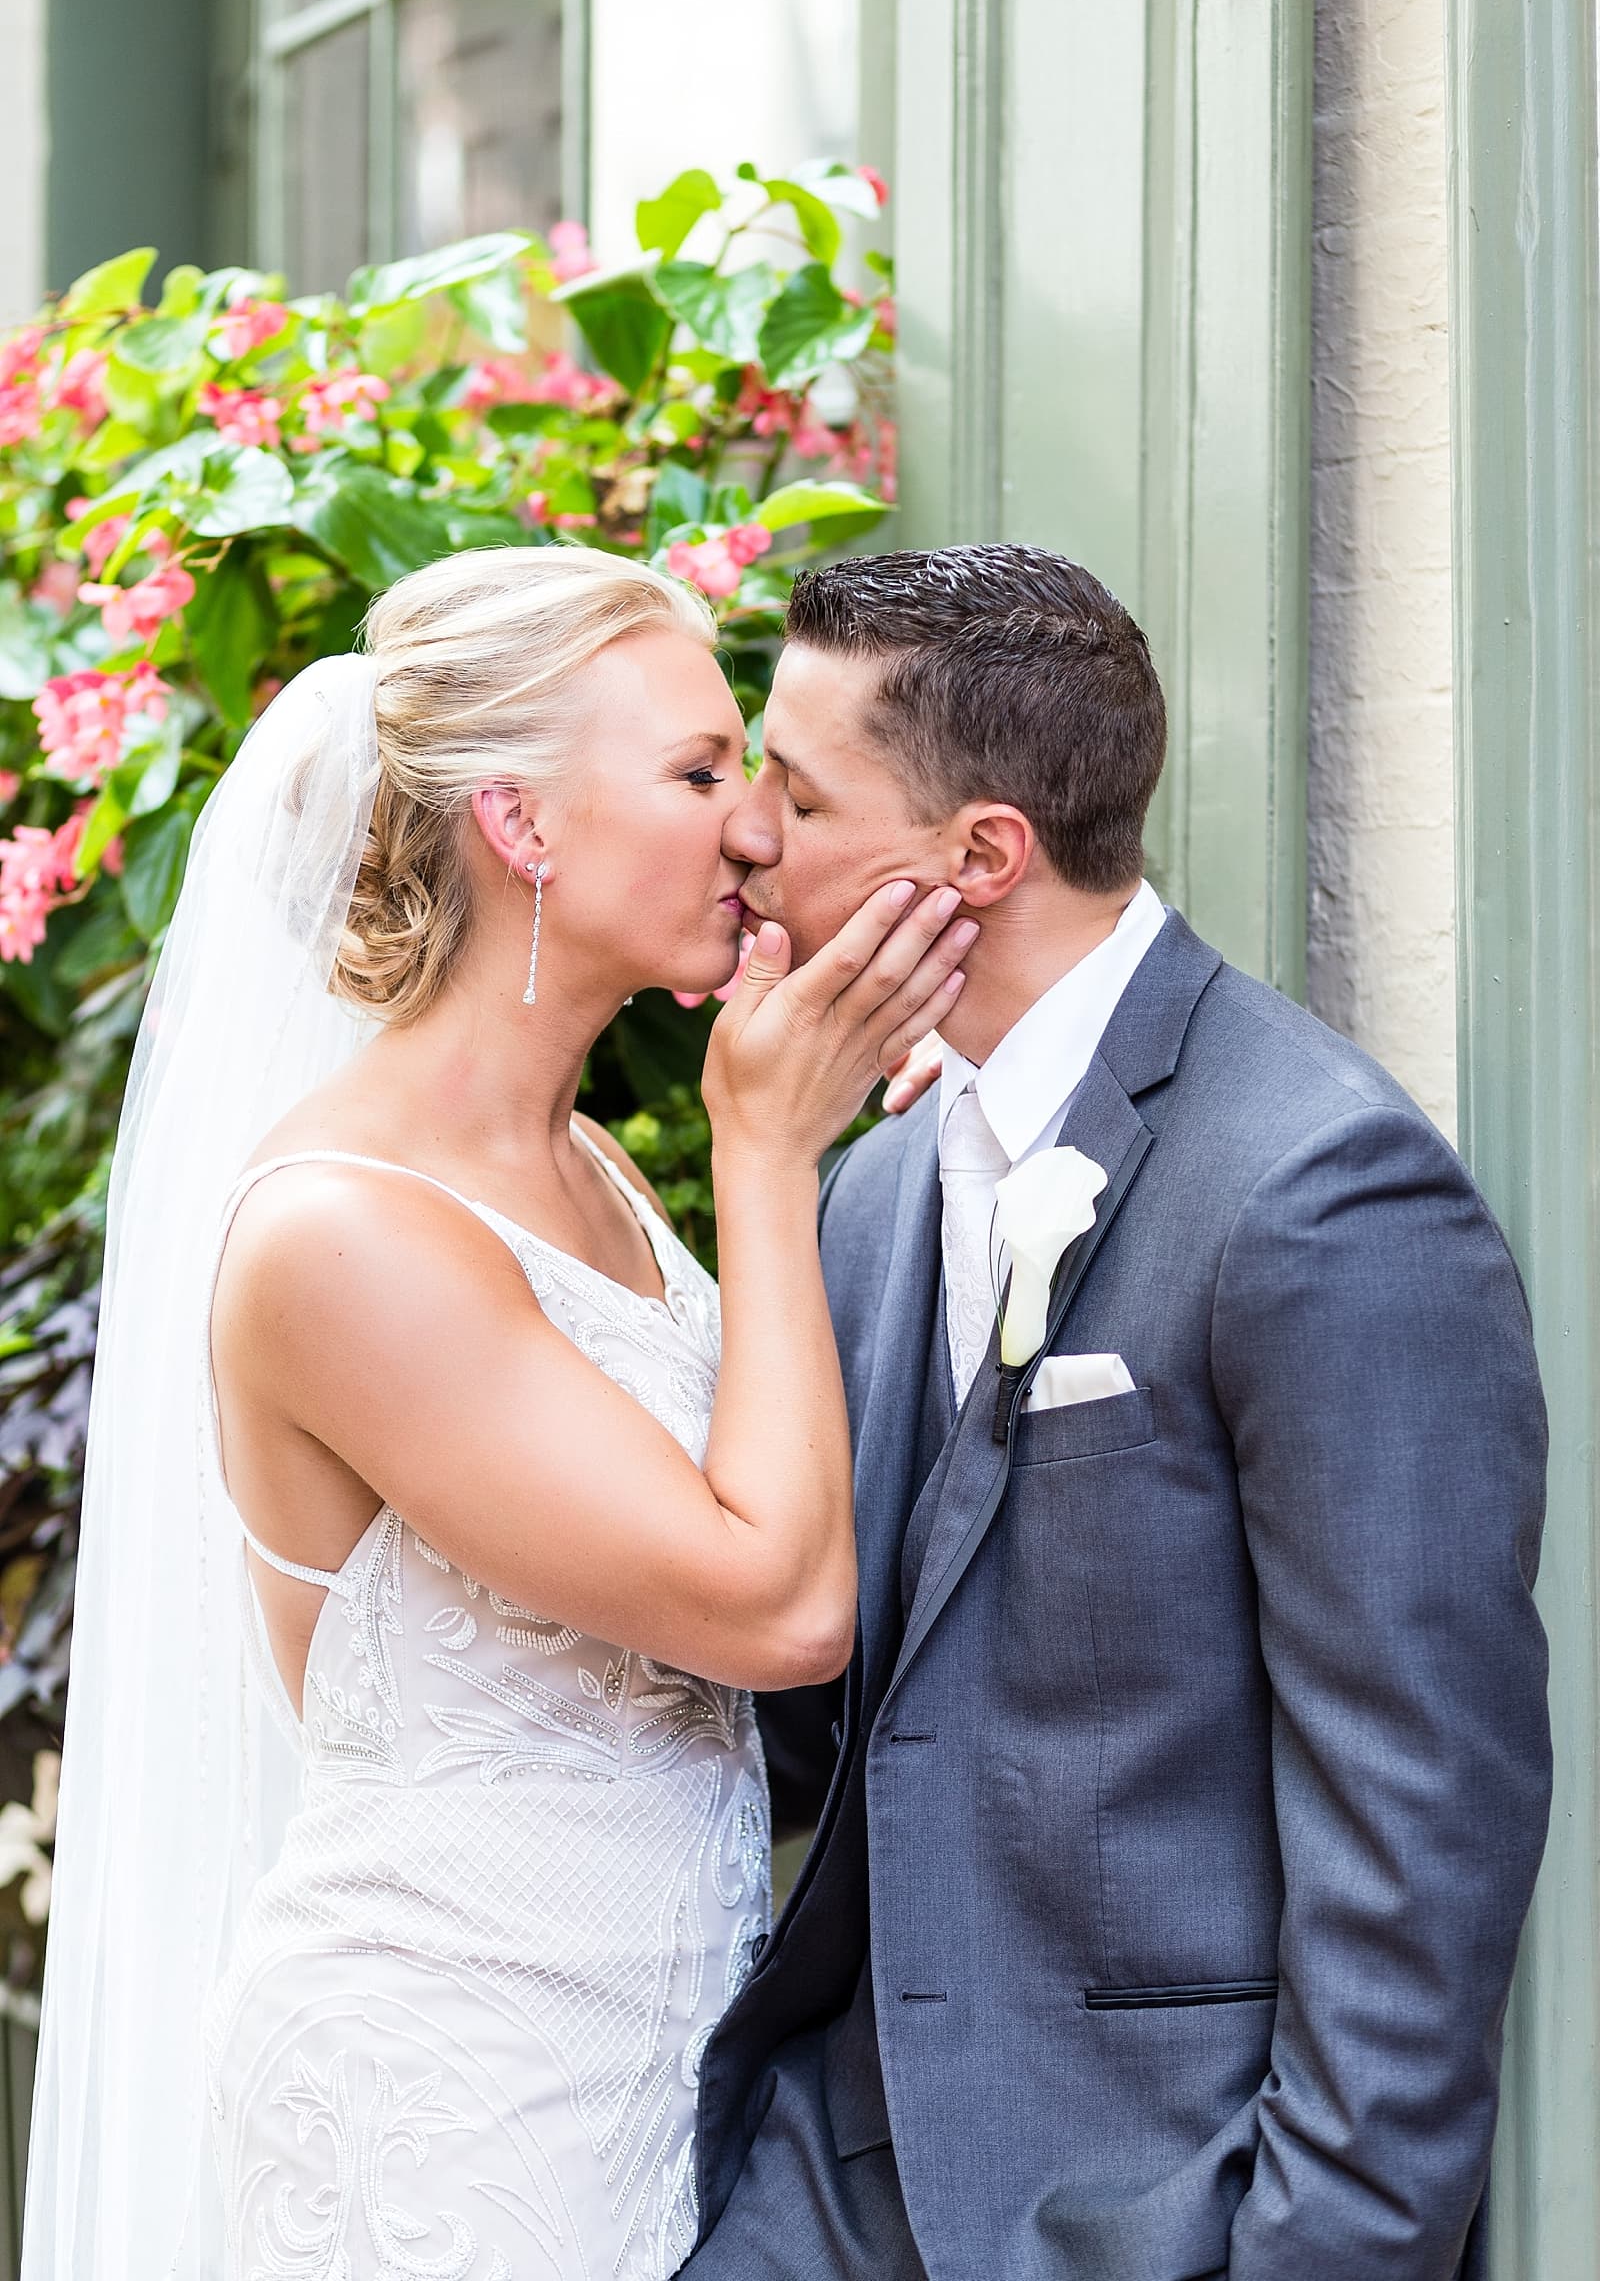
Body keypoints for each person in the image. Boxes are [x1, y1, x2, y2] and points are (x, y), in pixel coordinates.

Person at [22, 544, 973, 2281]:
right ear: (521, 826)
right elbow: (775, 1605)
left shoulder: (584, 1165)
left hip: (652, 2064)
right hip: (459, 2104)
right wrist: (767, 1155)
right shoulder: (345, 1236)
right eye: (697, 774)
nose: (752, 826)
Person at [686, 543, 1552, 2281]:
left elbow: (1420, 1815)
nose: (749, 835)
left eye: (796, 789)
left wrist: (1315, 2258)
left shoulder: (1319, 1186)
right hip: (821, 2188)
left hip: (1156, 2200)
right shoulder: (859, 1195)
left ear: (981, 855)